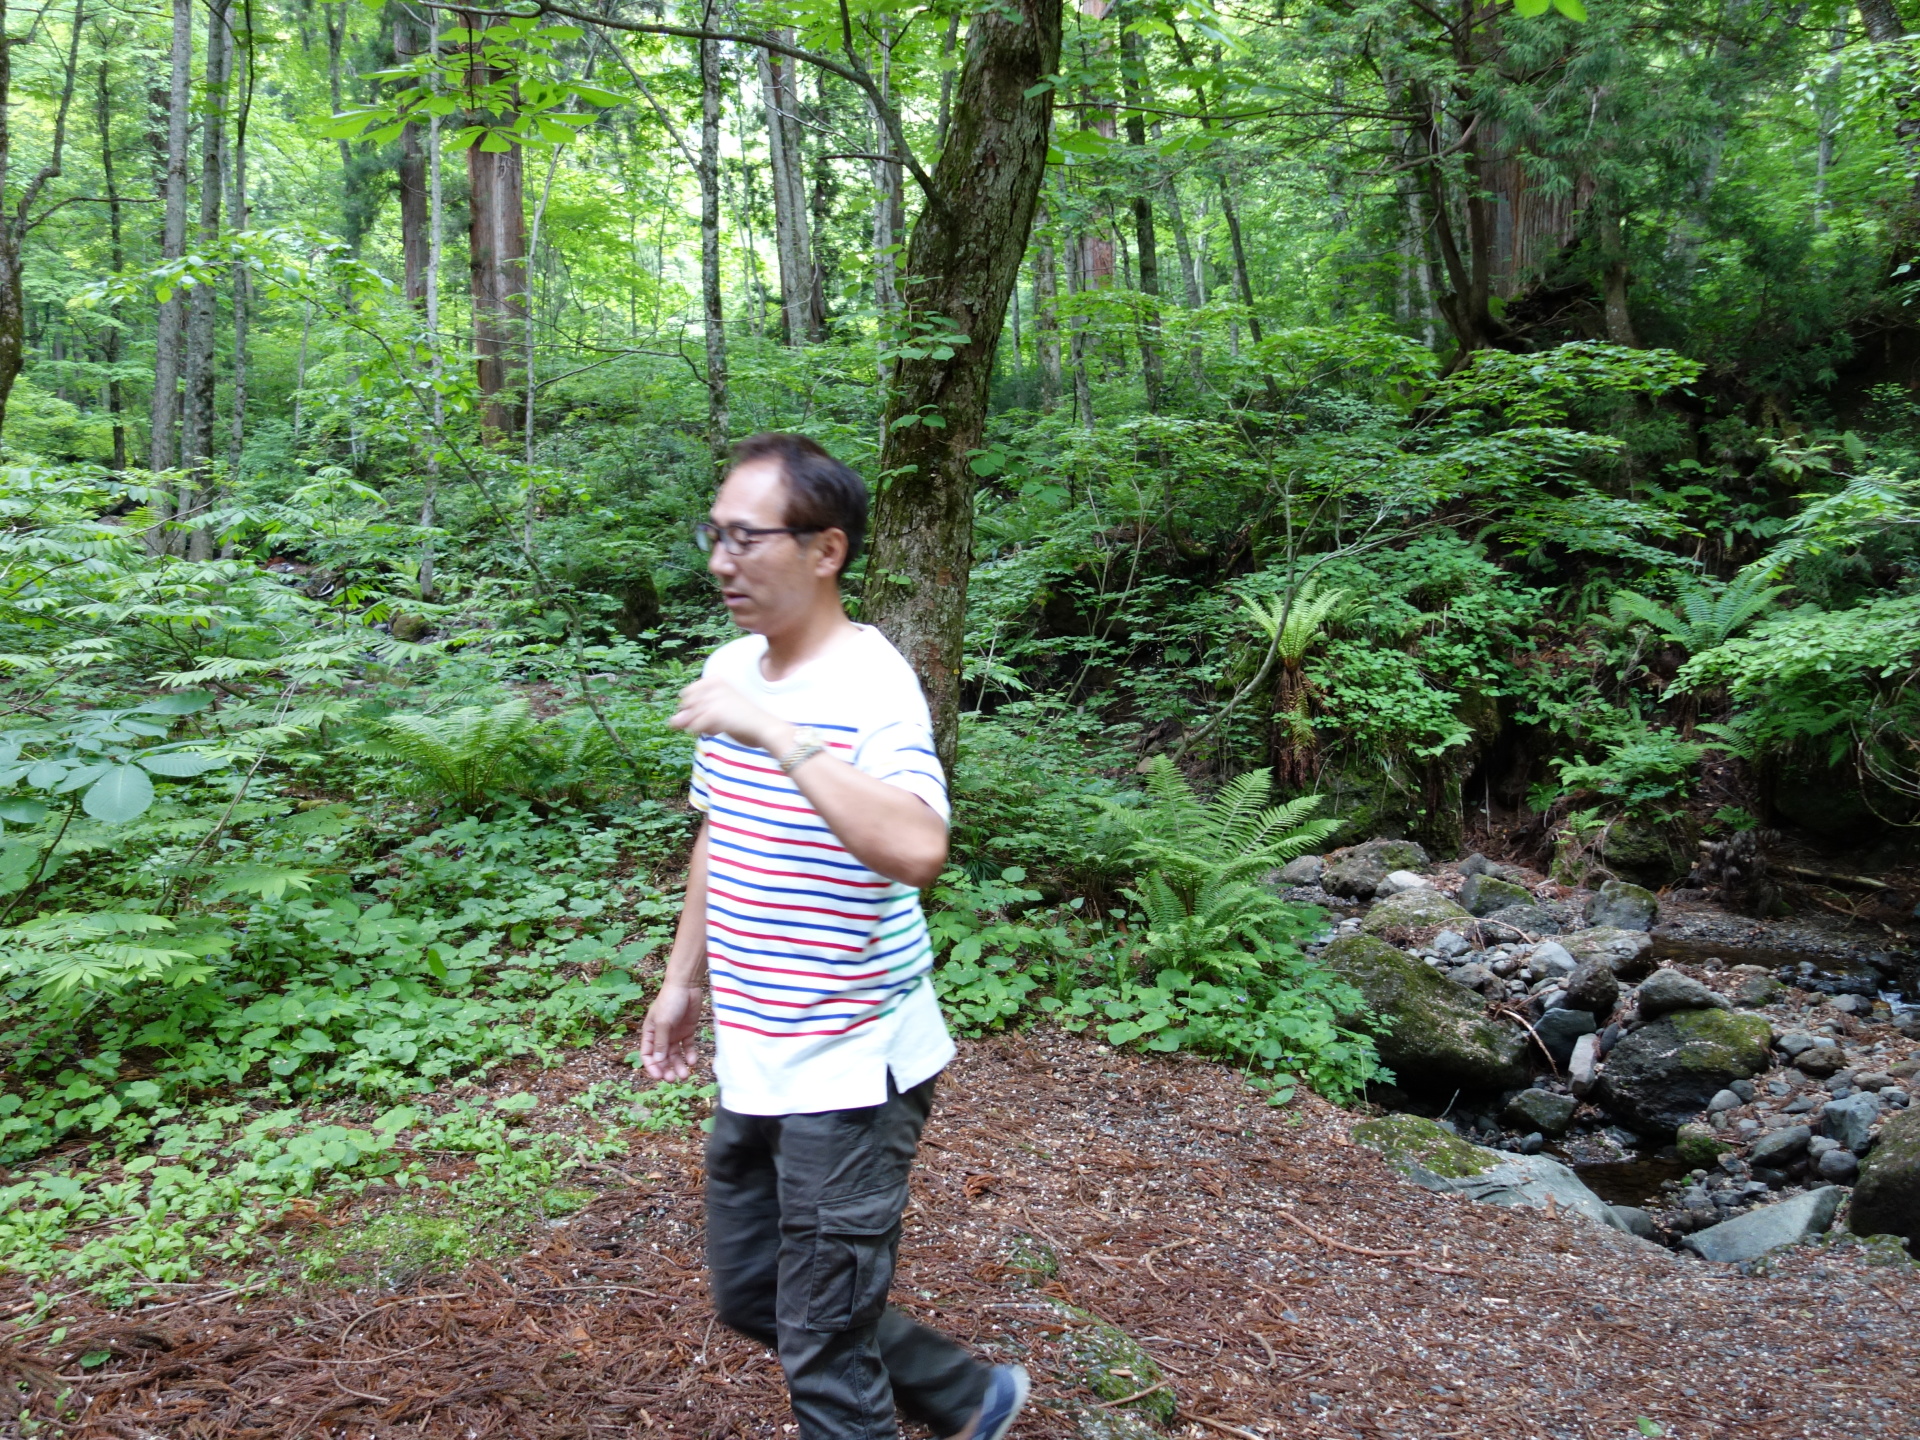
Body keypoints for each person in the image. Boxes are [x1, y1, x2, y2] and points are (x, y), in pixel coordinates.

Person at [641, 433, 1029, 1440]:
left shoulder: (871, 683)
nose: (721, 561)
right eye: (714, 535)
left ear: (826, 550)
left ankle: (947, 1400)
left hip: (854, 1067)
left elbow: (918, 846)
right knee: (755, 1295)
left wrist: (777, 732)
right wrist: (683, 980)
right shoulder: (731, 666)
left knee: (820, 1339)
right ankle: (968, 1396)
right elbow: (722, 828)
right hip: (759, 1050)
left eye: (747, 537)